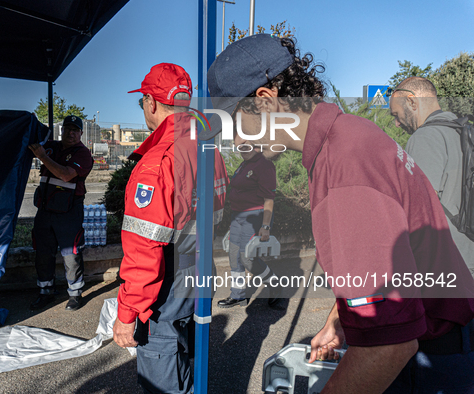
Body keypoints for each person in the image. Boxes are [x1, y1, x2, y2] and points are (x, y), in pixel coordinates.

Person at [201, 34, 474, 393]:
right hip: (444, 342)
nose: (237, 142)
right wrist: (339, 318)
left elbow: (389, 345)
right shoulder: (351, 134)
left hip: (427, 362)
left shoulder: (345, 169)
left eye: (235, 123)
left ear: (265, 102)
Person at [112, 63, 228, 394]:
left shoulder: (157, 162)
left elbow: (144, 252)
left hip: (167, 282)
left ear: (150, 102)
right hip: (199, 267)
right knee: (188, 354)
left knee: (162, 367)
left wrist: (127, 313)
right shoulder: (208, 148)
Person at [389, 77, 474, 277]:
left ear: (411, 101)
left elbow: (417, 208)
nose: (396, 123)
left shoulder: (424, 137)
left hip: (450, 263)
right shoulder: (463, 130)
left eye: (397, 114)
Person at [28, 115, 93, 311]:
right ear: (61, 130)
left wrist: (42, 157)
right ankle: (45, 291)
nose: (71, 133)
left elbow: (65, 175)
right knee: (43, 251)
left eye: (75, 130)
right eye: (67, 129)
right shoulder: (51, 146)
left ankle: (75, 294)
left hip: (69, 211)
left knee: (70, 253)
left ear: (81, 133)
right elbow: (30, 143)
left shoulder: (82, 154)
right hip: (45, 209)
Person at [218, 146, 282, 308]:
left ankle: (274, 284)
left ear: (258, 146)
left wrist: (265, 226)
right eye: (241, 146)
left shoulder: (264, 164)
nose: (243, 149)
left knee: (247, 259)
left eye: (248, 145)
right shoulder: (245, 163)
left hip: (255, 216)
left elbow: (269, 199)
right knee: (234, 256)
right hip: (237, 216)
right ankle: (237, 295)